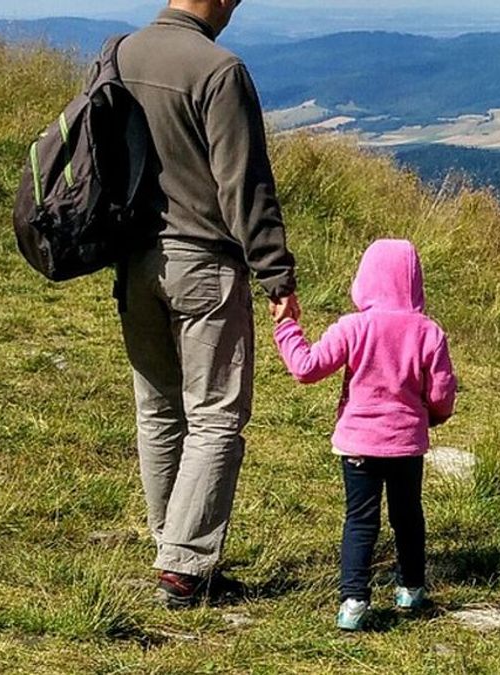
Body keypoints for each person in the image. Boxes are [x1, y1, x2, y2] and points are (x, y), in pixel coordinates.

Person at [115, 0, 300, 608]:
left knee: (158, 408)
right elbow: (243, 183)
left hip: (135, 261)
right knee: (216, 413)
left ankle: (171, 545)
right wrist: (276, 274)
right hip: (203, 266)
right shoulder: (219, 71)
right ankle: (185, 564)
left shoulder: (119, 54)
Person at [271, 239, 457, 631]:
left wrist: (286, 326)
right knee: (407, 516)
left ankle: (353, 601)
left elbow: (306, 368)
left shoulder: (353, 327)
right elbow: (441, 394)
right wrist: (433, 416)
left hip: (358, 444)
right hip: (406, 445)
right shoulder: (429, 332)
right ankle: (410, 588)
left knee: (360, 520)